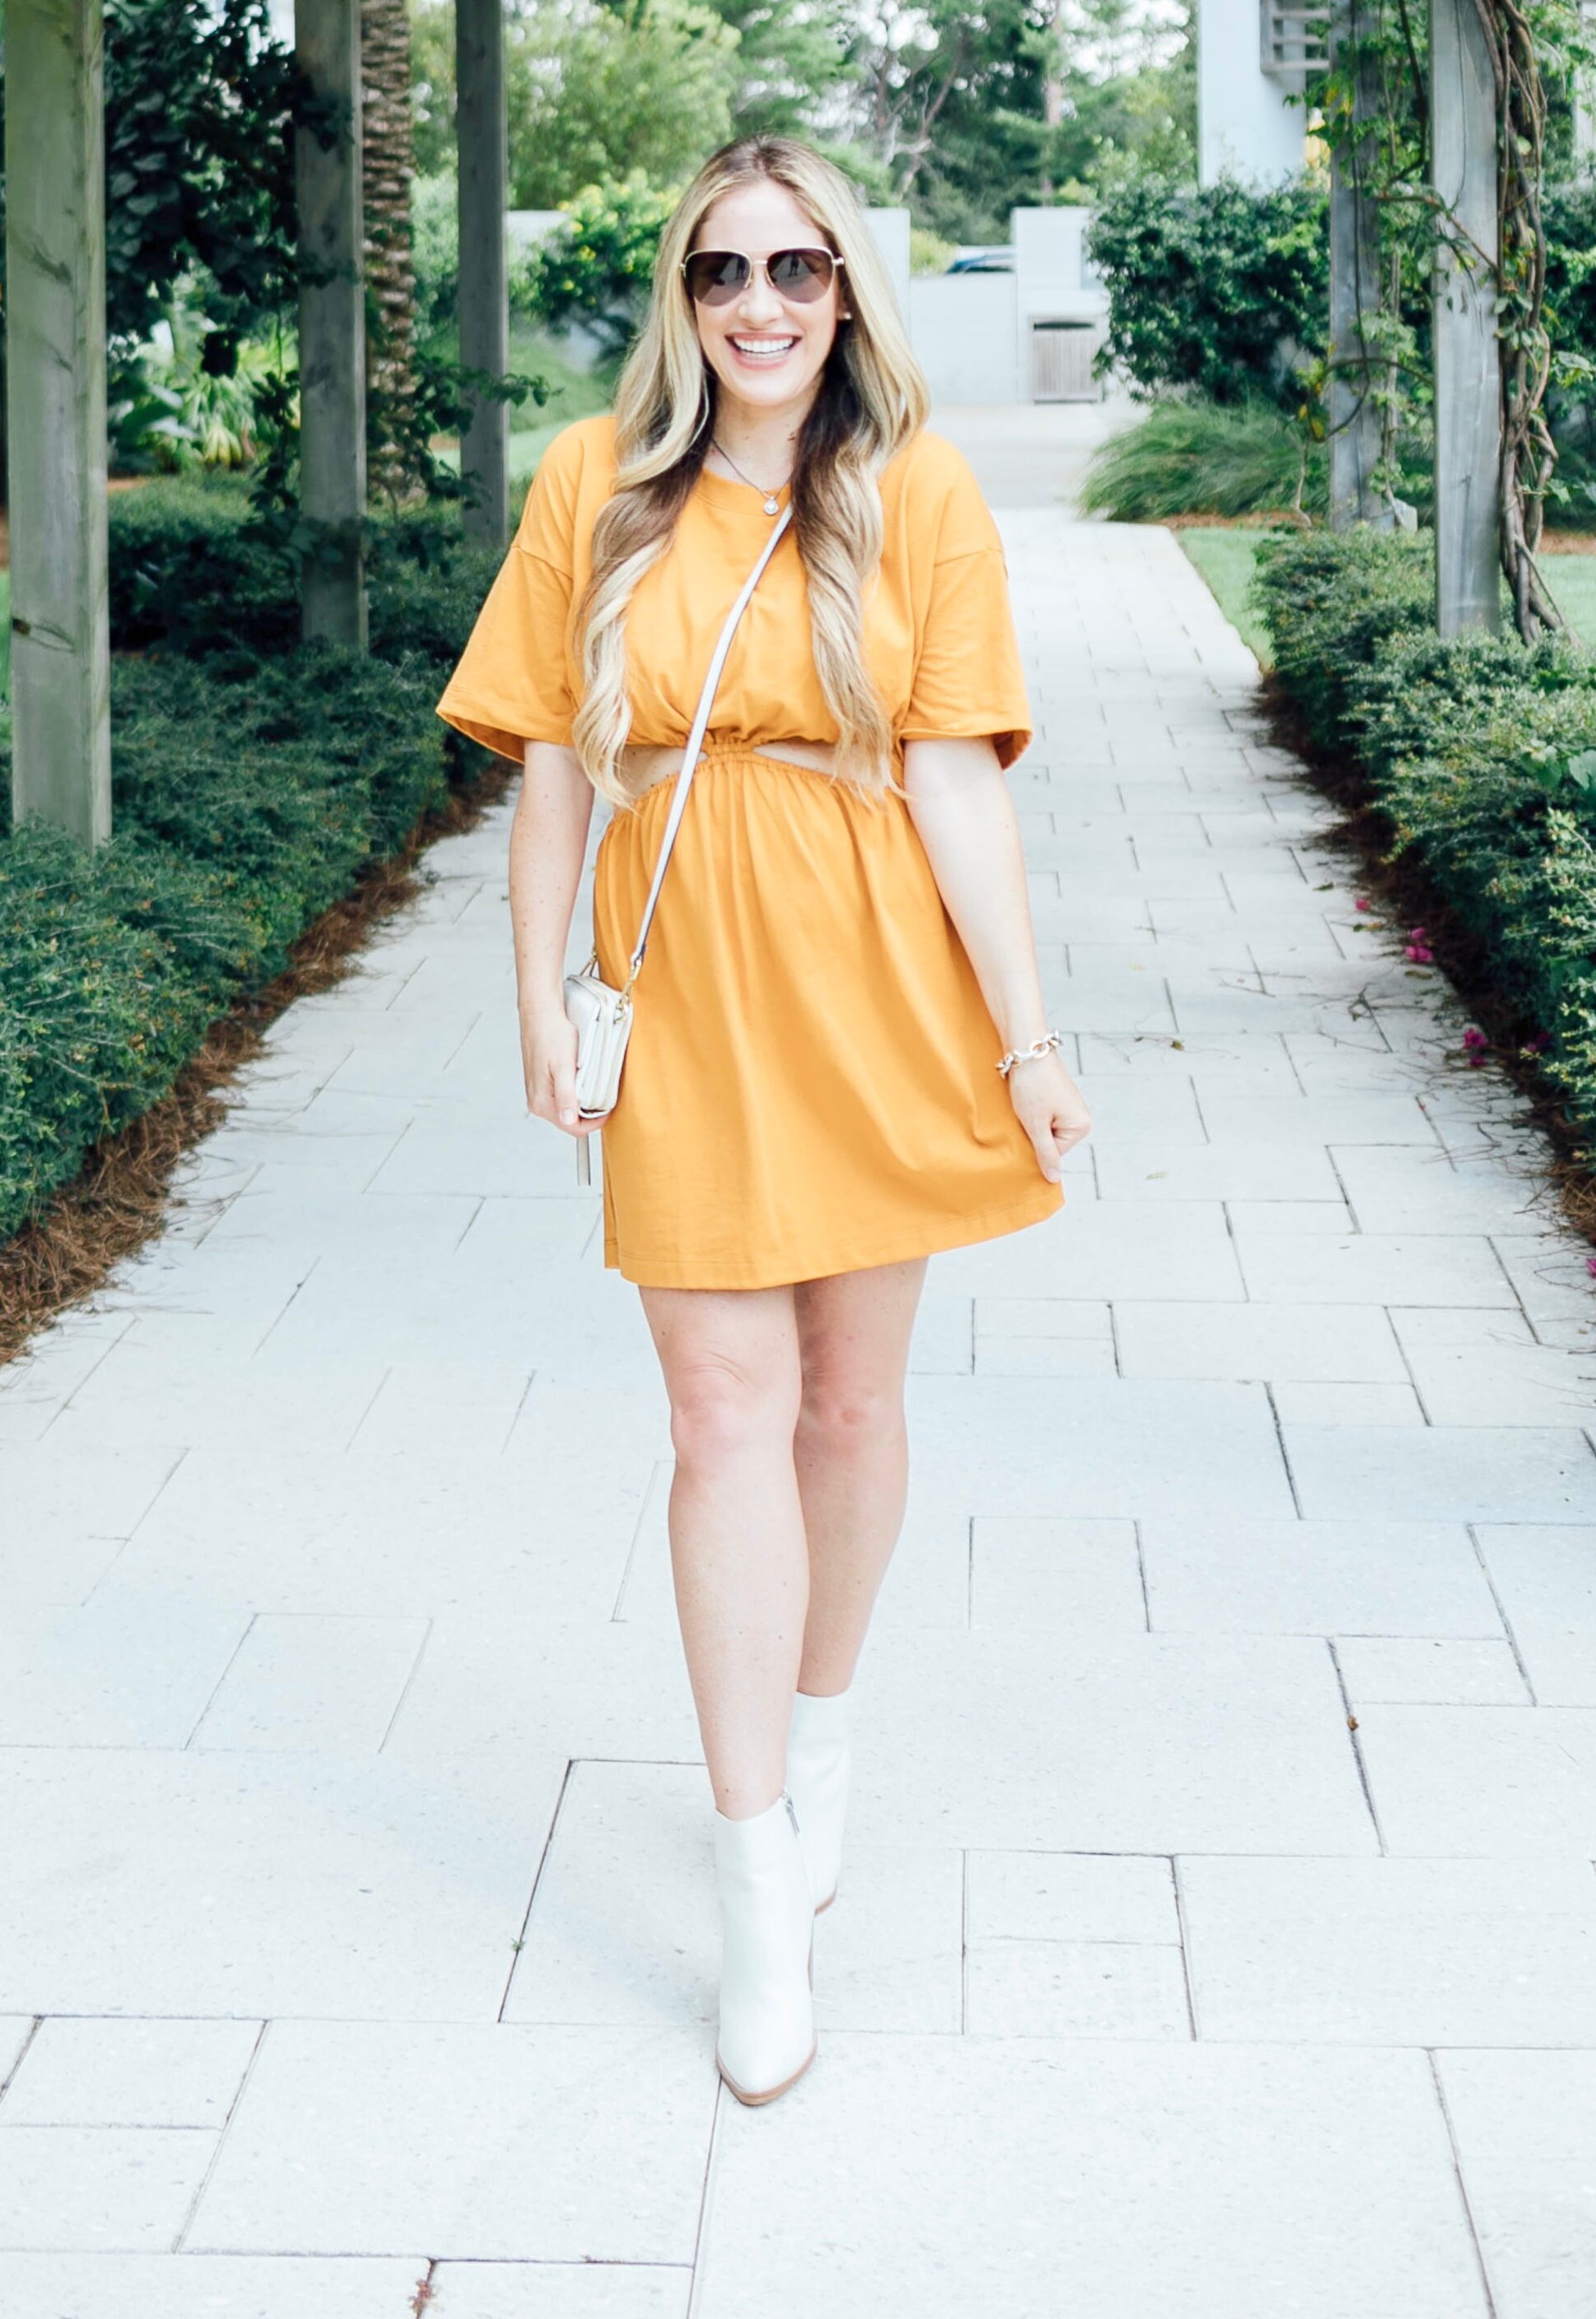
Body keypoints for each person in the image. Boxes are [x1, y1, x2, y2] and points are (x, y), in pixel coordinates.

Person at [438, 133, 1092, 2106]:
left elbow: (965, 782)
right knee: (716, 1409)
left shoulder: (918, 491)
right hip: (683, 983)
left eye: (796, 268)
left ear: (846, 288)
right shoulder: (594, 485)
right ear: (681, 295)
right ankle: (748, 1880)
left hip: (875, 973)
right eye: (722, 271)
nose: (759, 306)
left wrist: (1029, 1039)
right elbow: (551, 762)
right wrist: (541, 987)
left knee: (848, 1405)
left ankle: (823, 1741)